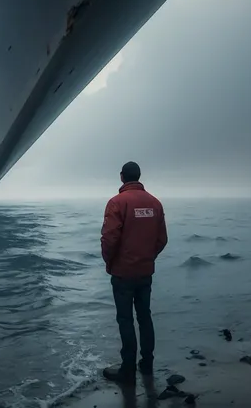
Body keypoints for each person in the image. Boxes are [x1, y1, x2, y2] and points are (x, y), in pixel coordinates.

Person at [100, 161, 168, 384]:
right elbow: (162, 239)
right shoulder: (155, 204)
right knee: (145, 317)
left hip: (123, 272)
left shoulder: (117, 203)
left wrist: (110, 262)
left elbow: (110, 238)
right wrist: (147, 257)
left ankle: (127, 370)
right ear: (138, 176)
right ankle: (147, 364)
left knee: (125, 319)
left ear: (122, 177)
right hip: (145, 271)